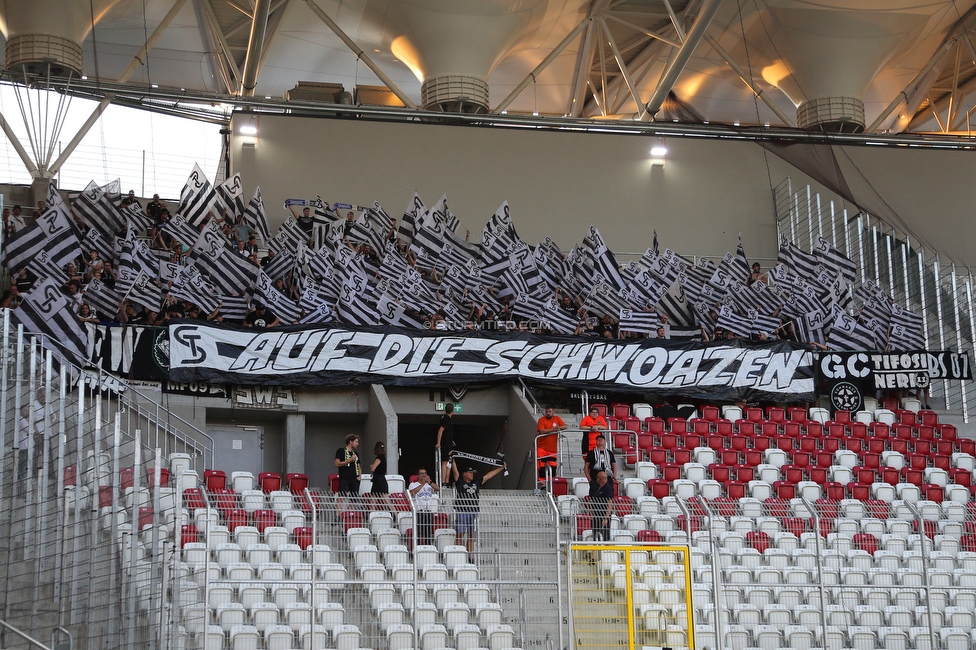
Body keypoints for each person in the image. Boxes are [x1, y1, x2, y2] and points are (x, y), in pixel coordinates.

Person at [452, 462, 506, 553]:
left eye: (472, 472)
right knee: (460, 534)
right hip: (462, 511)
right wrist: (452, 459)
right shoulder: (460, 482)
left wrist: (501, 468)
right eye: (470, 472)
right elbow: (455, 471)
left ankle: (469, 556)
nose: (472, 474)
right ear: (464, 474)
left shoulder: (476, 483)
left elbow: (489, 476)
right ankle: (459, 555)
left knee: (471, 535)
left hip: (473, 511)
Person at [408, 467, 440, 545]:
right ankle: (418, 548)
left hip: (428, 511)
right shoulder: (413, 484)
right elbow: (412, 493)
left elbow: (438, 489)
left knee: (428, 533)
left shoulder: (429, 485)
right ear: (417, 476)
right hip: (419, 512)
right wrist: (422, 484)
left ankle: (427, 548)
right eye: (422, 473)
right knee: (418, 532)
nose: (424, 475)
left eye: (425, 473)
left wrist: (429, 482)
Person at [536, 405, 566, 481]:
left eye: (550, 411)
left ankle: (551, 482)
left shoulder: (557, 418)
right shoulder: (541, 420)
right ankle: (542, 482)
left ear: (553, 412)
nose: (548, 413)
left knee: (553, 466)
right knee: (541, 467)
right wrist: (553, 429)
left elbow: (565, 426)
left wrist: (559, 428)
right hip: (541, 447)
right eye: (546, 412)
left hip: (552, 449)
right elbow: (541, 431)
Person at [588, 470, 614, 545]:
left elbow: (610, 504)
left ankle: (607, 553)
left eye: (597, 477)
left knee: (605, 536)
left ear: (600, 479)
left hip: (602, 516)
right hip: (596, 516)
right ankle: (594, 556)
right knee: (595, 536)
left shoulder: (608, 489)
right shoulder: (598, 488)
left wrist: (606, 518)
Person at [334, 434, 361, 498]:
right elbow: (336, 463)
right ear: (350, 441)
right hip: (344, 478)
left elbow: (358, 465)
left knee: (354, 499)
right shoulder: (341, 451)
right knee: (342, 497)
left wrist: (360, 476)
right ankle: (339, 508)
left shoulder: (356, 453)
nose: (358, 444)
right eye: (356, 442)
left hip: (355, 478)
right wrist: (348, 461)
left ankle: (351, 508)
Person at [436, 403, 455, 486]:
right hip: (445, 443)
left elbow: (447, 432)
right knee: (444, 462)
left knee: (449, 463)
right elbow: (441, 430)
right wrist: (438, 443)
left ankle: (447, 482)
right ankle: (443, 481)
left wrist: (451, 441)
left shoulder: (445, 418)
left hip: (448, 442)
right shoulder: (446, 418)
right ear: (452, 411)